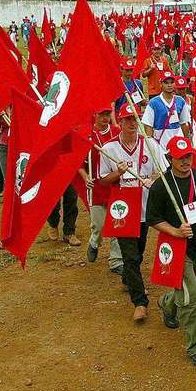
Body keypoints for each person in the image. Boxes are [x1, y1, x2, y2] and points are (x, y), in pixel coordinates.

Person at [147, 137, 196, 368]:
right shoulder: (161, 186)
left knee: (192, 288)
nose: (186, 161)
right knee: (192, 299)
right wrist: (175, 232)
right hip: (177, 248)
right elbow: (153, 219)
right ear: (170, 159)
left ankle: (168, 303)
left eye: (189, 156)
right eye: (180, 158)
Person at [99, 104, 167, 322]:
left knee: (139, 247)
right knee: (130, 254)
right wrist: (116, 174)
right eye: (127, 119)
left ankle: (129, 278)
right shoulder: (108, 148)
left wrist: (153, 179)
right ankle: (140, 302)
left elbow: (164, 170)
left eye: (134, 119)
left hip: (146, 206)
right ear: (119, 121)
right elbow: (102, 179)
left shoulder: (150, 144)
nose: (131, 123)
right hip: (123, 208)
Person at [80, 107, 124, 274]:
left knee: (117, 223)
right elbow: (80, 165)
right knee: (98, 225)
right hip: (97, 188)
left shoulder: (117, 132)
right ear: (95, 115)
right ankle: (94, 241)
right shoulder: (88, 136)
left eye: (108, 114)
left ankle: (116, 261)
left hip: (115, 185)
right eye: (102, 115)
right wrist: (86, 177)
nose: (105, 118)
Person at [142, 71, 192, 149]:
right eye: (166, 82)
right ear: (161, 84)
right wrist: (151, 146)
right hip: (161, 143)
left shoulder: (180, 101)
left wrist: (187, 141)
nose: (169, 85)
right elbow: (148, 126)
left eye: (172, 82)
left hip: (178, 143)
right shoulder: (153, 102)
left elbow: (184, 123)